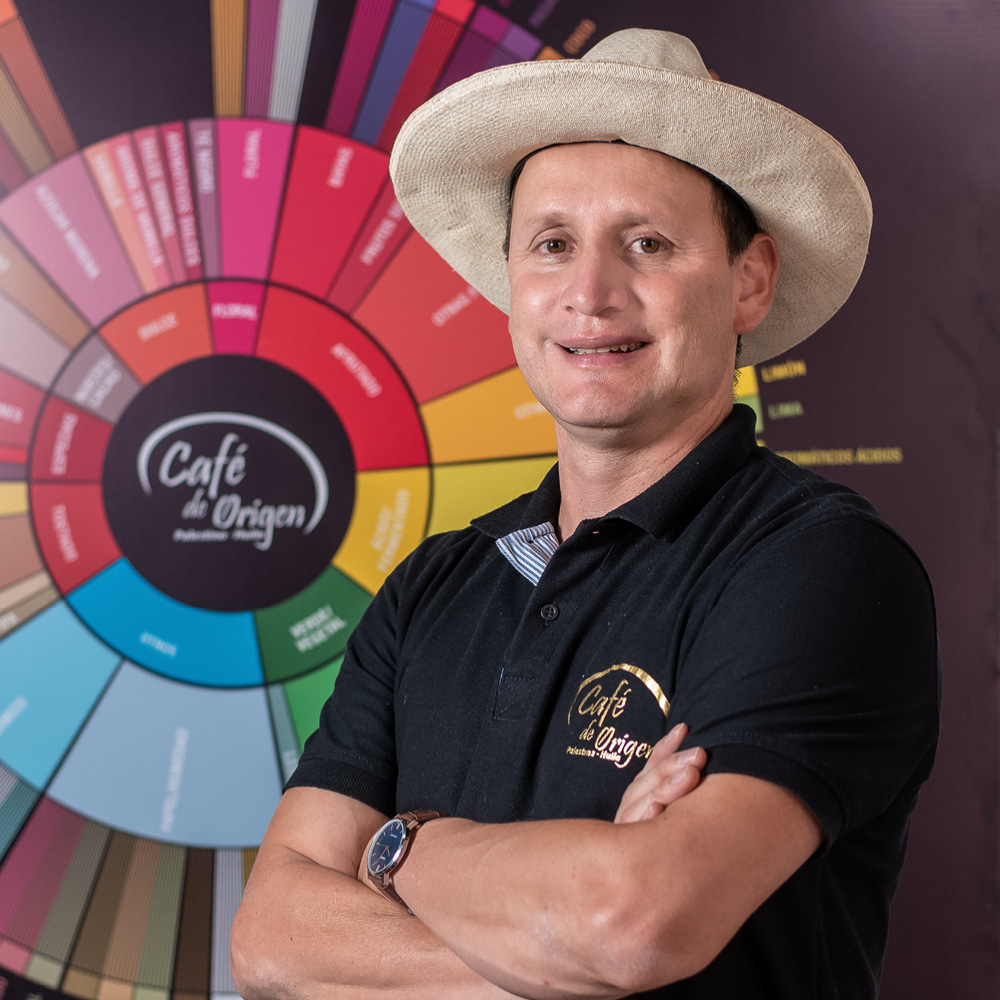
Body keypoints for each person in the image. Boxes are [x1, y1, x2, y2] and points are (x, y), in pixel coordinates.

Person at [231, 28, 939, 999]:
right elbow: (269, 939)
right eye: (553, 245)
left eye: (646, 244)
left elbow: (633, 924)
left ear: (749, 281)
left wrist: (401, 850)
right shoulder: (432, 586)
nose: (590, 295)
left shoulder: (821, 565)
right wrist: (559, 941)